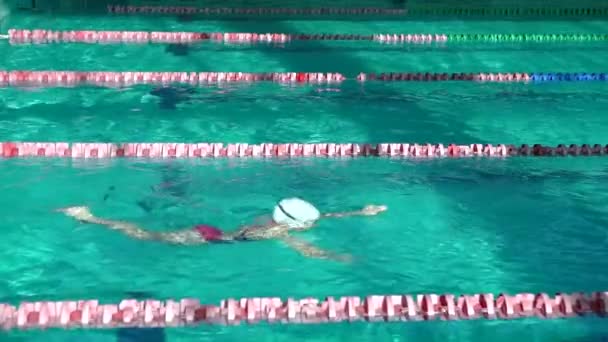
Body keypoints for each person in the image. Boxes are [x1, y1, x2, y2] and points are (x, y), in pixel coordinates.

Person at [59, 198, 387, 262]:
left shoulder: (269, 218)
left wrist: (360, 212)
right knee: (148, 236)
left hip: (213, 229)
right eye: (305, 224)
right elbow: (304, 247)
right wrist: (333, 255)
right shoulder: (275, 233)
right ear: (292, 224)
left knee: (154, 229)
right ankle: (89, 218)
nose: (310, 226)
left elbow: (321, 218)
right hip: (206, 239)